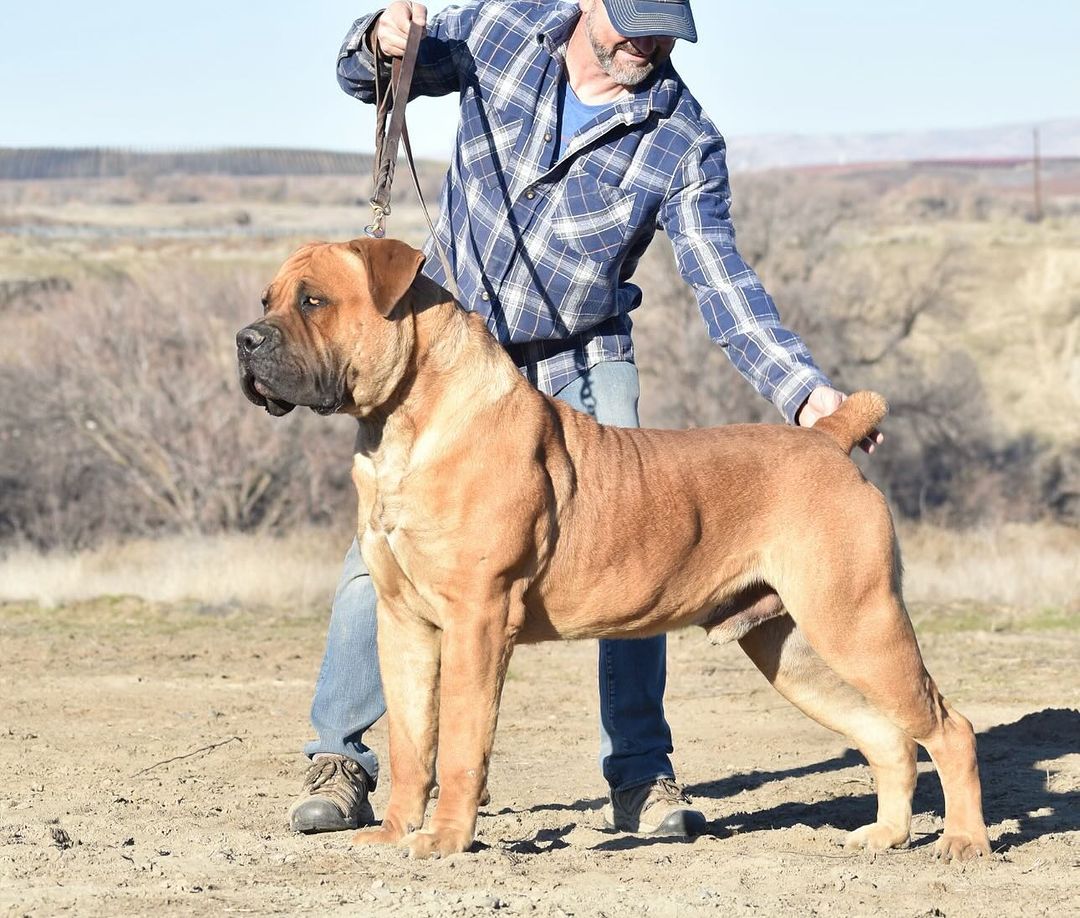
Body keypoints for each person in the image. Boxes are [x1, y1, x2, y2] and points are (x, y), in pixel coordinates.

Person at [289, 0, 881, 838]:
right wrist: (380, 39)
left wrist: (804, 393)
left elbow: (722, 283)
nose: (647, 41)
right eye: (632, 19)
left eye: (665, 29)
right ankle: (342, 757)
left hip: (579, 359)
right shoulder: (501, 27)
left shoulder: (681, 136)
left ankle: (641, 776)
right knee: (380, 560)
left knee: (643, 544)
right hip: (449, 357)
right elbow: (374, 79)